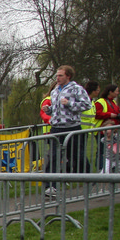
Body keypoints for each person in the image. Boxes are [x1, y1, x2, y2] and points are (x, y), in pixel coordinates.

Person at [42, 65, 92, 196]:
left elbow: (87, 105)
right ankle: (51, 186)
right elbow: (57, 109)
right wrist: (49, 110)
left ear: (68, 76)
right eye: (56, 76)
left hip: (71, 127)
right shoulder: (55, 91)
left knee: (77, 155)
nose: (57, 78)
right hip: (56, 128)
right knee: (53, 156)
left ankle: (89, 178)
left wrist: (69, 103)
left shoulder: (77, 89)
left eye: (60, 75)